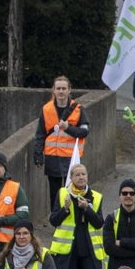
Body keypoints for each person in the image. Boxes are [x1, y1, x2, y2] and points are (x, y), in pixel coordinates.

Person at [47, 164, 107, 269]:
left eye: (84, 174)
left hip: (90, 251)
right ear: (71, 178)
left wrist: (87, 209)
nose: (81, 177)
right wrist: (65, 209)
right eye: (77, 175)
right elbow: (54, 220)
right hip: (68, 252)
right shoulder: (62, 194)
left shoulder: (96, 196)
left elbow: (99, 222)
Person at [33, 75, 89, 205]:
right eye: (58, 88)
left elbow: (84, 132)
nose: (61, 91)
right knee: (55, 196)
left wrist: (68, 127)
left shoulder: (78, 109)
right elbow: (40, 134)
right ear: (53, 90)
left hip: (72, 159)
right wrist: (38, 156)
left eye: (64, 88)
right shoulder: (46, 109)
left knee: (74, 192)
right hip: (52, 157)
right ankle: (56, 221)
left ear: (69, 90)